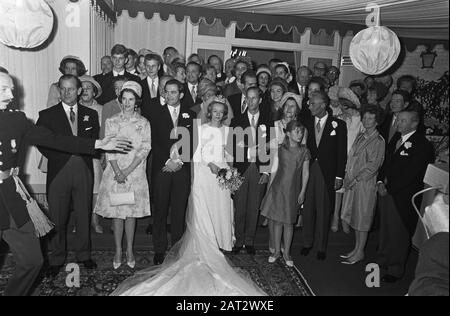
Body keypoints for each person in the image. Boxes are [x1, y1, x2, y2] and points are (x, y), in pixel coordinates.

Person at [111, 97, 265, 296]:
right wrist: (211, 166)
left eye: (221, 111)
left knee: (220, 211)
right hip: (204, 174)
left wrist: (229, 171)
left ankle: (217, 247)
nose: (218, 114)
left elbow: (230, 154)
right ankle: (203, 249)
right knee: (203, 213)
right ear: (209, 112)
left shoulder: (228, 131)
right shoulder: (200, 129)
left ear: (225, 113)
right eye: (214, 111)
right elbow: (196, 153)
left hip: (221, 176)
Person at [0, 71, 132, 296]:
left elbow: (54, 139)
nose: (11, 93)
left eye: (11, 88)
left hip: (11, 195)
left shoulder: (16, 119)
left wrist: (99, 143)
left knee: (33, 261)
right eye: (4, 89)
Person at [37, 74, 101, 277]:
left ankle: (83, 255)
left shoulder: (90, 115)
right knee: (57, 216)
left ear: (79, 90)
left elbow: (94, 143)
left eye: (71, 89)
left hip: (83, 168)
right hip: (59, 170)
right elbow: (41, 142)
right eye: (62, 89)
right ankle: (57, 257)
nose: (66, 93)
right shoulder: (47, 115)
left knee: (83, 213)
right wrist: (59, 157)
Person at [95, 82, 151, 270]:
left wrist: (127, 171)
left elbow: (145, 149)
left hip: (134, 174)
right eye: (124, 99)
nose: (127, 103)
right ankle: (118, 250)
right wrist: (118, 172)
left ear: (137, 102)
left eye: (131, 99)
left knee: (131, 214)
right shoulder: (112, 121)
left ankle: (130, 250)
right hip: (115, 173)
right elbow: (108, 148)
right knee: (118, 214)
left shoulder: (143, 123)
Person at [376, 110, 434, 283]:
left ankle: (395, 268)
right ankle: (383, 258)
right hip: (385, 192)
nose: (397, 123)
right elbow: (385, 163)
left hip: (402, 197)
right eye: (398, 120)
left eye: (402, 121)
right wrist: (380, 182)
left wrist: (389, 187)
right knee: (385, 228)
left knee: (398, 232)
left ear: (414, 123)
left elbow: (413, 173)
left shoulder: (422, 144)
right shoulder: (396, 139)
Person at [150, 79, 195, 265]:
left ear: (181, 94)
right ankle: (159, 249)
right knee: (160, 209)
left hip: (182, 169)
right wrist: (168, 161)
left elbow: (194, 142)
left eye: (173, 92)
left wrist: (180, 161)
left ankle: (177, 248)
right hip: (162, 167)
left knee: (178, 210)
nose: (169, 95)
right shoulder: (155, 114)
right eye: (166, 92)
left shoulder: (191, 115)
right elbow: (153, 142)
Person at [301, 91, 347, 261]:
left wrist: (339, 176)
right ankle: (307, 243)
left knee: (323, 210)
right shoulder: (305, 122)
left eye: (312, 103)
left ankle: (321, 246)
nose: (309, 106)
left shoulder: (338, 125)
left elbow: (342, 152)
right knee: (307, 209)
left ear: (323, 105)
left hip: (327, 173)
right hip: (309, 169)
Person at [230, 86, 273, 255]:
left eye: (254, 98)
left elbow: (272, 148)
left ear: (260, 100)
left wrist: (267, 172)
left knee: (254, 207)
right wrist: (250, 151)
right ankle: (238, 240)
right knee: (239, 207)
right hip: (242, 168)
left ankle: (249, 241)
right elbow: (233, 147)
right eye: (248, 98)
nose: (251, 101)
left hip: (259, 168)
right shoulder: (237, 121)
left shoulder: (268, 121)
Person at [261, 120, 310, 267]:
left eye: (301, 132)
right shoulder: (281, 149)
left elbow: (306, 173)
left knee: (288, 222)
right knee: (276, 221)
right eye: (296, 131)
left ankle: (286, 252)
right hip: (278, 188)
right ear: (287, 133)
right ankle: (276, 251)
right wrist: (270, 189)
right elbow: (275, 169)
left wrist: (302, 191)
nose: (299, 134)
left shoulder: (304, 151)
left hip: (292, 190)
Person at [340, 106, 385, 264]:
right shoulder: (361, 135)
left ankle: (360, 251)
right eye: (364, 117)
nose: (366, 121)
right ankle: (357, 248)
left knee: (363, 219)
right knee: (356, 217)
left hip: (365, 184)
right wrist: (348, 175)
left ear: (377, 121)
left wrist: (357, 179)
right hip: (353, 182)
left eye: (370, 118)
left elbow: (373, 166)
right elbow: (352, 157)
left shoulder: (378, 141)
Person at [330, 88, 364, 233]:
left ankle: (346, 218)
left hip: (354, 160)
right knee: (338, 189)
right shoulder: (339, 118)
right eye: (341, 105)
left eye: (344, 106)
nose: (342, 108)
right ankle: (335, 217)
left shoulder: (361, 120)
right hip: (339, 157)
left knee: (349, 190)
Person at [79, 75, 104, 234]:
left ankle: (94, 220)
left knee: (95, 189)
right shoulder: (73, 108)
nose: (85, 91)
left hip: (95, 154)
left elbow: (105, 134)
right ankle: (80, 222)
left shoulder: (101, 110)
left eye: (89, 88)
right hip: (77, 155)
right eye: (83, 88)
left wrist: (102, 154)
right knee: (79, 189)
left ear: (94, 92)